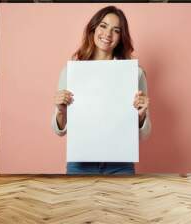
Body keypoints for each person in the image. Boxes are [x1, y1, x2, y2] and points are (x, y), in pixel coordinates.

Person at [51, 6, 151, 175]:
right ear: (93, 28)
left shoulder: (135, 73)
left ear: (121, 37)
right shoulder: (71, 71)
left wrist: (141, 116)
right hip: (80, 163)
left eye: (116, 30)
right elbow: (59, 131)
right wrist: (60, 113)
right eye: (103, 26)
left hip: (120, 164)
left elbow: (144, 135)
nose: (108, 34)